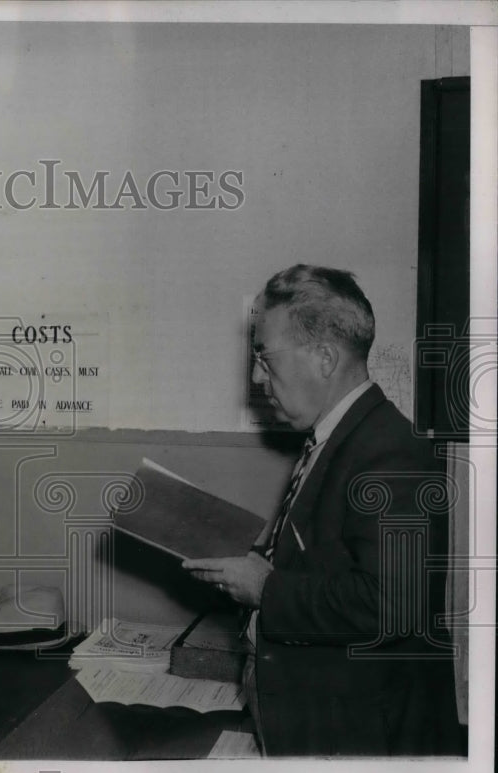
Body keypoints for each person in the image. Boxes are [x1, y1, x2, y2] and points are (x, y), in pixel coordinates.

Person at [183, 265, 462, 756]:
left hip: (368, 740)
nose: (256, 376)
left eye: (266, 359)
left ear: (326, 359)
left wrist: (264, 587)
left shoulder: (392, 452)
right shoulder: (340, 438)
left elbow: (390, 607)